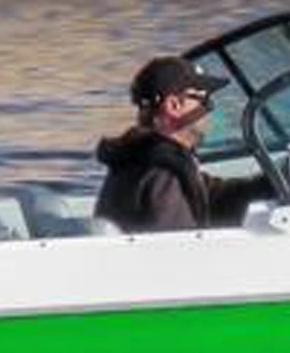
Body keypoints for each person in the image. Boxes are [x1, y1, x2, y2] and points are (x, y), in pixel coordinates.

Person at [94, 55, 270, 233]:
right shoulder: (162, 175)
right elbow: (178, 246)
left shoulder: (146, 158)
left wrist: (270, 183)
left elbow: (210, 195)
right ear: (174, 105)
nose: (210, 109)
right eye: (205, 101)